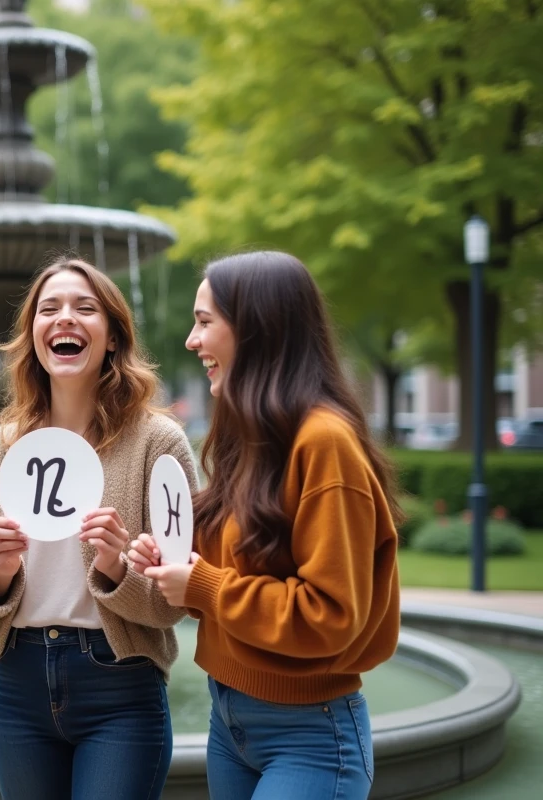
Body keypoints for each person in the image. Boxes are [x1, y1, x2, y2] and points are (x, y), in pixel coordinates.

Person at [133, 251, 401, 799]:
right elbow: (226, 561)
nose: (191, 339)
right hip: (229, 720)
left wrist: (202, 584)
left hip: (311, 734)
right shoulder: (250, 434)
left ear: (256, 328)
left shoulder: (325, 444)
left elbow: (330, 615)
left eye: (205, 322)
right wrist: (169, 561)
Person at [0, 257, 199, 800]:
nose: (65, 319)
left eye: (85, 308)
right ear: (33, 336)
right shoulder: (2, 447)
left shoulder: (159, 443)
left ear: (112, 337)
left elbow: (177, 603)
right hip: (15, 683)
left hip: (120, 684)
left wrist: (116, 568)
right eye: (49, 309)